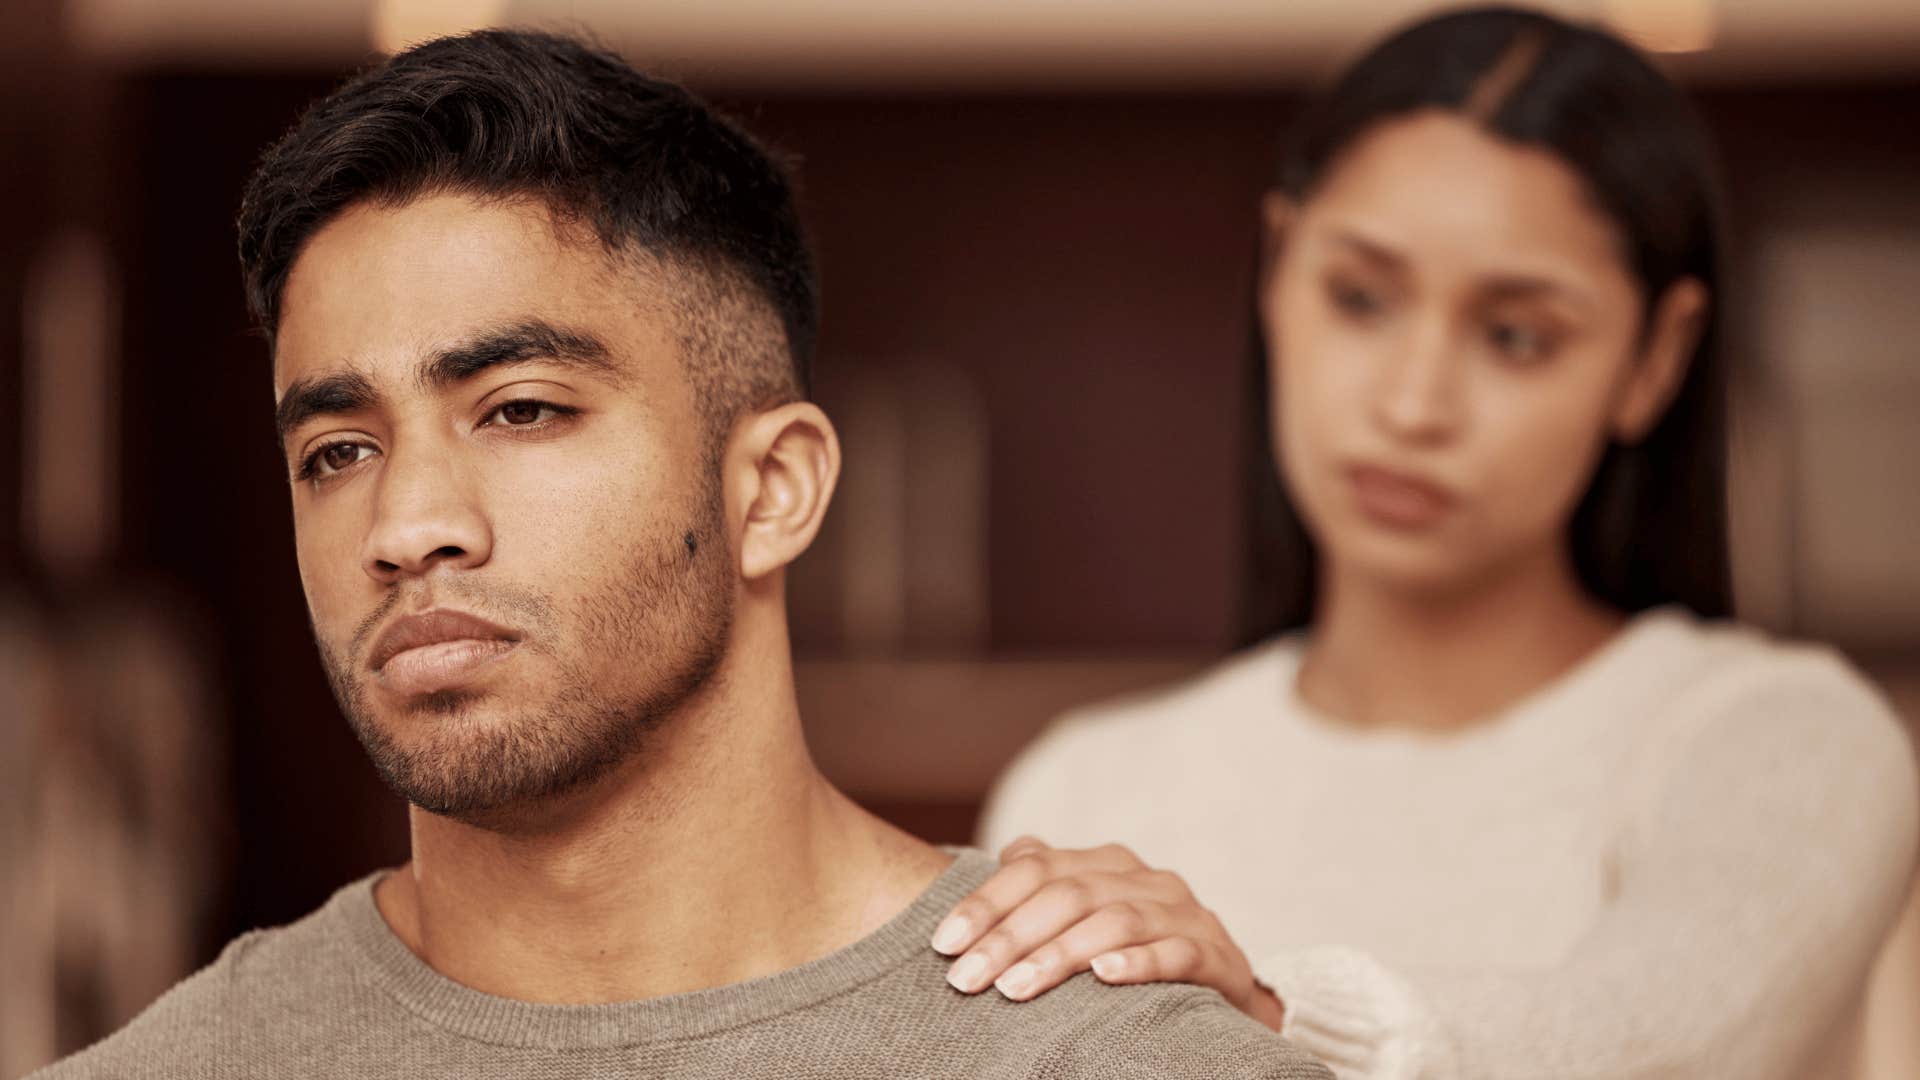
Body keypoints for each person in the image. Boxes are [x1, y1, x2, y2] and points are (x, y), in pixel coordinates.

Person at [32, 29, 1331, 1080]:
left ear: (772, 488)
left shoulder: (1112, 1061)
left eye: (521, 409)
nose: (407, 523)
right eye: (338, 451)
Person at [934, 7, 1919, 1078]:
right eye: (1360, 299)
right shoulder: (1084, 791)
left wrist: (1268, 1019)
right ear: (1277, 272)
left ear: (1656, 358)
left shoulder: (1787, 744)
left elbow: (1649, 1040)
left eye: (1515, 336)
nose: (1413, 403)